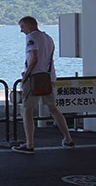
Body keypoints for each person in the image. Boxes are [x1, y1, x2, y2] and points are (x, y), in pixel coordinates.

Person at [13, 16, 75, 153]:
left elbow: (34, 58)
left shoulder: (31, 38)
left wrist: (26, 75)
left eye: (22, 27)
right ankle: (68, 139)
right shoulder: (48, 38)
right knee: (53, 108)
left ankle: (29, 144)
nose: (21, 30)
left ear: (29, 25)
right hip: (49, 77)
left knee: (26, 110)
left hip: (35, 79)